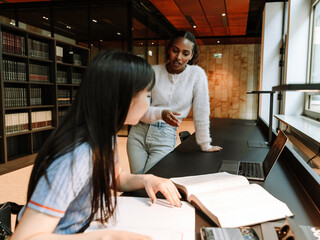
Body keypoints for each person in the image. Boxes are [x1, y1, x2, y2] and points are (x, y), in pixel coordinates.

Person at [11, 50, 182, 240]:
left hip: (82, 227)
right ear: (122, 98)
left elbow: (115, 178)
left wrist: (147, 179)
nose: (149, 104)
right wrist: (106, 237)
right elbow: (24, 238)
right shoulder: (77, 156)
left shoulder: (105, 135)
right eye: (148, 96)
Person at [127, 30, 222, 174]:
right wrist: (161, 113)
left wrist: (205, 144)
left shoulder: (196, 75)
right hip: (138, 134)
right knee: (137, 182)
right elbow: (138, 108)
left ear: (191, 56)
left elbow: (201, 110)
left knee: (151, 182)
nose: (178, 57)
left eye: (185, 53)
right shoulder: (152, 72)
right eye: (175, 50)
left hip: (164, 137)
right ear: (168, 50)